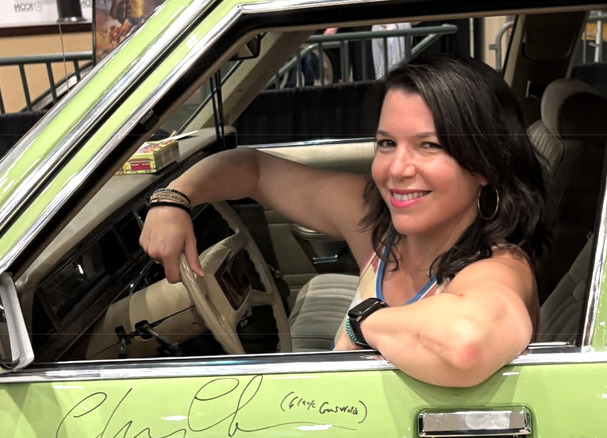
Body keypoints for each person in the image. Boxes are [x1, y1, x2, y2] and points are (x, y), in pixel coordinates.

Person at [140, 55, 547, 387]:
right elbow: (254, 171)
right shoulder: (376, 221)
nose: (396, 169)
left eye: (429, 146)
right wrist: (173, 199)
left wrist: (361, 322)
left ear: (483, 166)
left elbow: (467, 343)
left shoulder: (498, 265)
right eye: (387, 143)